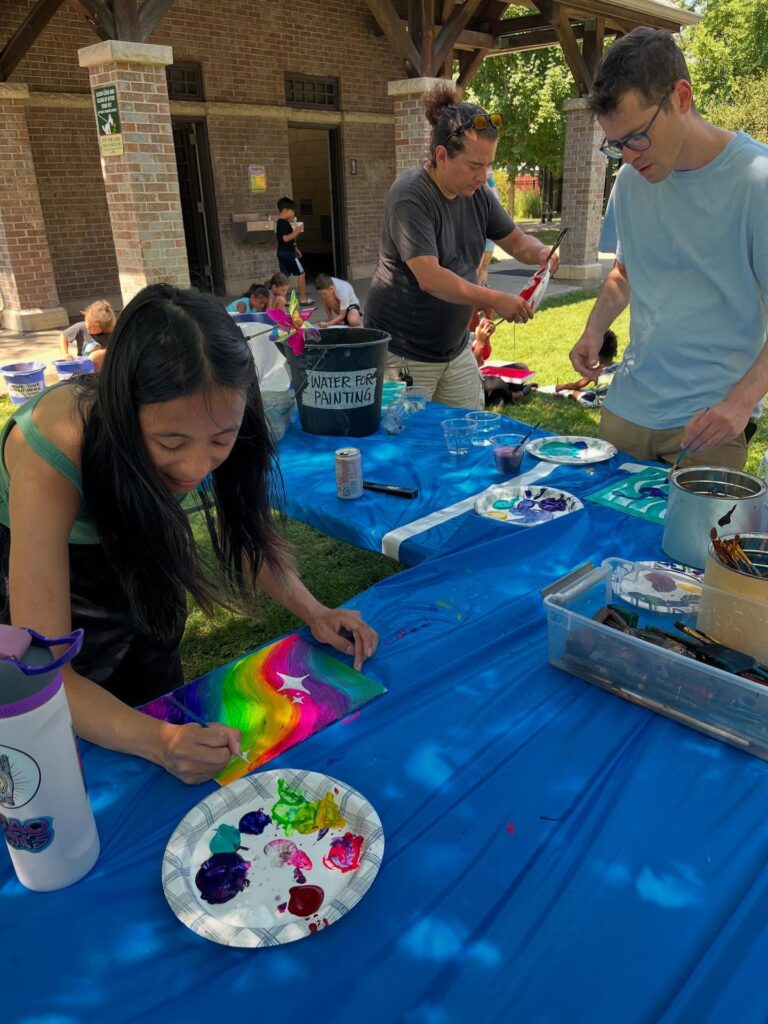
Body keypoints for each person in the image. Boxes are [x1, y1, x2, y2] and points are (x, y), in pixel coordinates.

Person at [0, 284, 378, 785]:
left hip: (139, 537)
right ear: (124, 413)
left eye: (220, 441)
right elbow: (45, 671)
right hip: (63, 565)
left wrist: (315, 611)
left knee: (158, 693)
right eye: (171, 443)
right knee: (79, 755)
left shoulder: (220, 409)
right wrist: (159, 742)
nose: (197, 467)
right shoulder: (51, 453)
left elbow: (246, 536)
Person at [569, 27, 768, 469]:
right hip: (627, 408)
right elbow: (625, 272)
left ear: (680, 97)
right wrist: (594, 329)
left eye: (637, 136)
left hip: (709, 421)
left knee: (695, 521)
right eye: (616, 145)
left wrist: (739, 405)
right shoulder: (631, 182)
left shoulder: (757, 179)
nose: (629, 156)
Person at [365, 81, 559, 411]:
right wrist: (495, 299)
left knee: (470, 433)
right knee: (410, 439)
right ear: (441, 156)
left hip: (454, 351)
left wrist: (541, 252)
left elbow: (516, 241)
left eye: (488, 165)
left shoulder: (478, 194)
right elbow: (431, 278)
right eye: (474, 166)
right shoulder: (410, 195)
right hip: (402, 354)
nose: (484, 177)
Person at [557, 329, 619, 405]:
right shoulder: (621, 366)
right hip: (618, 404)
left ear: (595, 353)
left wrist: (562, 386)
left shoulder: (595, 373)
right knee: (591, 393)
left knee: (575, 392)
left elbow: (576, 385)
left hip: (602, 405)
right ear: (615, 352)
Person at [59, 299, 116, 372]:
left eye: (92, 327)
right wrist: (65, 353)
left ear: (104, 328)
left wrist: (101, 353)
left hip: (105, 369)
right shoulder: (81, 327)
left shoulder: (111, 333)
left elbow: (117, 350)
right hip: (84, 368)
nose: (87, 326)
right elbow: (64, 336)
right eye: (86, 322)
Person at [275, 196, 308, 304]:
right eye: (292, 210)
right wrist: (297, 231)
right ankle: (303, 299)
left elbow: (287, 240)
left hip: (282, 252)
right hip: (288, 253)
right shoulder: (283, 223)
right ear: (285, 210)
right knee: (301, 273)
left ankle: (282, 300)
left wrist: (295, 248)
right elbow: (286, 238)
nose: (293, 213)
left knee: (285, 276)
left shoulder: (280, 222)